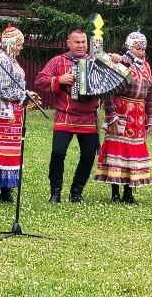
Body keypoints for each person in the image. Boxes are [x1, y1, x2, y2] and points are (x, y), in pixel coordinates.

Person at [34, 29, 100, 204]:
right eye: (77, 42)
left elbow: (117, 70)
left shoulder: (96, 61)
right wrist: (59, 79)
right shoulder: (58, 61)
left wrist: (116, 58)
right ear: (68, 43)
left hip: (88, 117)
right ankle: (55, 192)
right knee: (58, 153)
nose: (81, 45)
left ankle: (76, 192)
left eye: (84, 42)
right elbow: (40, 80)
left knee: (88, 156)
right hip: (65, 115)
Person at [0, 24, 39, 204]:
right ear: (10, 44)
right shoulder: (2, 59)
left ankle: (6, 190)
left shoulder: (11, 60)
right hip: (0, 114)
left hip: (11, 114)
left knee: (9, 150)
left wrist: (24, 93)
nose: (21, 48)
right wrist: (23, 95)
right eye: (19, 44)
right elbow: (3, 89)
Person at [94, 32, 152, 204]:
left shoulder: (146, 67)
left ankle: (128, 192)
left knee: (132, 154)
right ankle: (115, 192)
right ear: (129, 47)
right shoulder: (119, 63)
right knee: (117, 152)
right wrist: (111, 114)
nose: (141, 51)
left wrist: (151, 119)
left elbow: (149, 95)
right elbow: (108, 91)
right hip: (121, 112)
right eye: (137, 48)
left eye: (143, 48)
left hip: (138, 116)